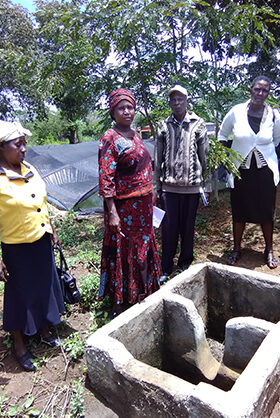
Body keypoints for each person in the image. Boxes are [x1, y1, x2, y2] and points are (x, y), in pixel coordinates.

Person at [0, 121, 65, 371]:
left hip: (41, 240)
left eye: (24, 144)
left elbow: (43, 202)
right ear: (2, 148)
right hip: (16, 247)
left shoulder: (30, 169)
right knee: (18, 294)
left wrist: (52, 230)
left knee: (42, 287)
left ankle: (44, 329)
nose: (23, 149)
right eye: (18, 145)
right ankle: (19, 344)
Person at [98, 88, 161, 317]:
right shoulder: (110, 137)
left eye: (130, 107)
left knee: (143, 248)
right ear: (113, 111)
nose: (127, 111)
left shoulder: (135, 134)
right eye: (121, 108)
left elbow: (145, 168)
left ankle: (143, 291)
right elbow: (106, 179)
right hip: (124, 209)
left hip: (143, 208)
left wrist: (152, 196)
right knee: (123, 250)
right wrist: (112, 212)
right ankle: (121, 299)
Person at [218, 75, 280, 268]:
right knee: (239, 211)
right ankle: (236, 248)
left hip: (264, 172)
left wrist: (267, 156)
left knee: (266, 211)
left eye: (265, 90)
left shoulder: (274, 115)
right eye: (257, 89)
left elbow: (277, 139)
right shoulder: (236, 112)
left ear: (268, 93)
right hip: (241, 172)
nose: (261, 93)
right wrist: (225, 159)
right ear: (251, 90)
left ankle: (269, 249)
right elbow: (222, 134)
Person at [155, 85, 210, 283]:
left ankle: (185, 264)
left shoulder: (198, 124)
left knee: (188, 226)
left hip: (192, 187)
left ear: (187, 101)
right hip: (169, 187)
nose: (177, 103)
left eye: (180, 99)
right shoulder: (163, 125)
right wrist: (156, 187)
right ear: (169, 103)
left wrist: (207, 185)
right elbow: (157, 158)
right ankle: (165, 267)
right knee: (169, 228)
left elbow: (205, 157)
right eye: (173, 99)